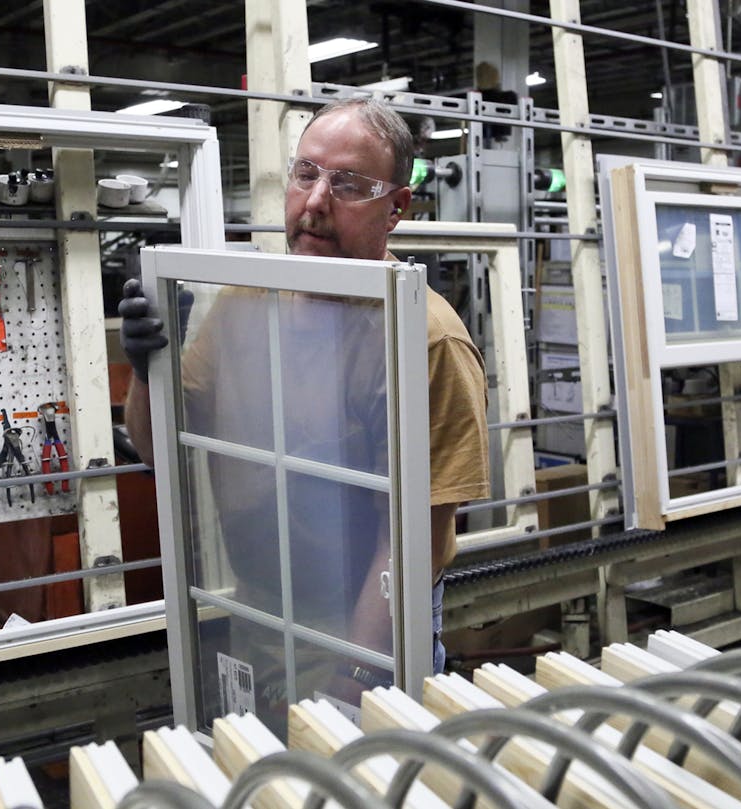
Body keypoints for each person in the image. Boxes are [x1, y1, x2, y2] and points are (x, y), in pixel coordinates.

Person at [121, 97, 490, 715]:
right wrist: (143, 372)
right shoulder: (245, 303)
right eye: (306, 174)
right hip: (255, 609)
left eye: (348, 184)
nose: (316, 201)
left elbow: (412, 538)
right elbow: (160, 445)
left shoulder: (421, 338)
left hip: (363, 625)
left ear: (395, 208)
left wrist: (355, 672)